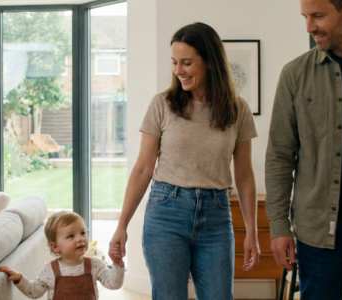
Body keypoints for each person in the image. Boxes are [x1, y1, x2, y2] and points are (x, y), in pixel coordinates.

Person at [108, 22, 260, 299]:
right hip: (166, 213)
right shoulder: (162, 104)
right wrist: (122, 226)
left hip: (216, 215)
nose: (178, 70)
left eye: (187, 63)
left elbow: (245, 175)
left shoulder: (238, 109)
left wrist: (252, 231)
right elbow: (143, 168)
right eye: (175, 62)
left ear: (210, 62)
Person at [265, 0, 342, 299]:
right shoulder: (295, 75)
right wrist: (279, 227)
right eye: (305, 16)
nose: (309, 26)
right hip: (319, 235)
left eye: (318, 16)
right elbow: (279, 157)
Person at [0, 211, 124, 300]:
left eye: (83, 233)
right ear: (55, 247)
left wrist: (118, 265)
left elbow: (113, 284)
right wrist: (19, 279)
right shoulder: (49, 269)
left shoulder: (95, 264)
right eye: (71, 236)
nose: (80, 239)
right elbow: (35, 292)